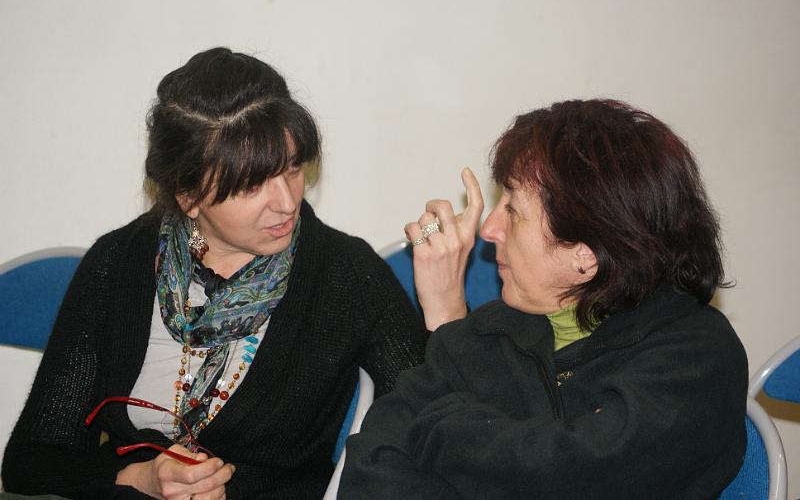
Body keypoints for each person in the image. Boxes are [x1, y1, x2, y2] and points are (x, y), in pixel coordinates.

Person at [1, 47, 428, 500]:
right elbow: (32, 462)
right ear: (188, 195)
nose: (287, 202)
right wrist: (139, 478)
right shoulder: (119, 262)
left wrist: (443, 306)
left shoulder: (345, 275)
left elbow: (434, 428)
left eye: (293, 167)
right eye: (253, 184)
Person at [339, 99, 748, 499]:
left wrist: (439, 427)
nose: (489, 229)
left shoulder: (695, 356)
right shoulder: (485, 332)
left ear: (586, 254)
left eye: (513, 211)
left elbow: (575, 477)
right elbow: (370, 466)